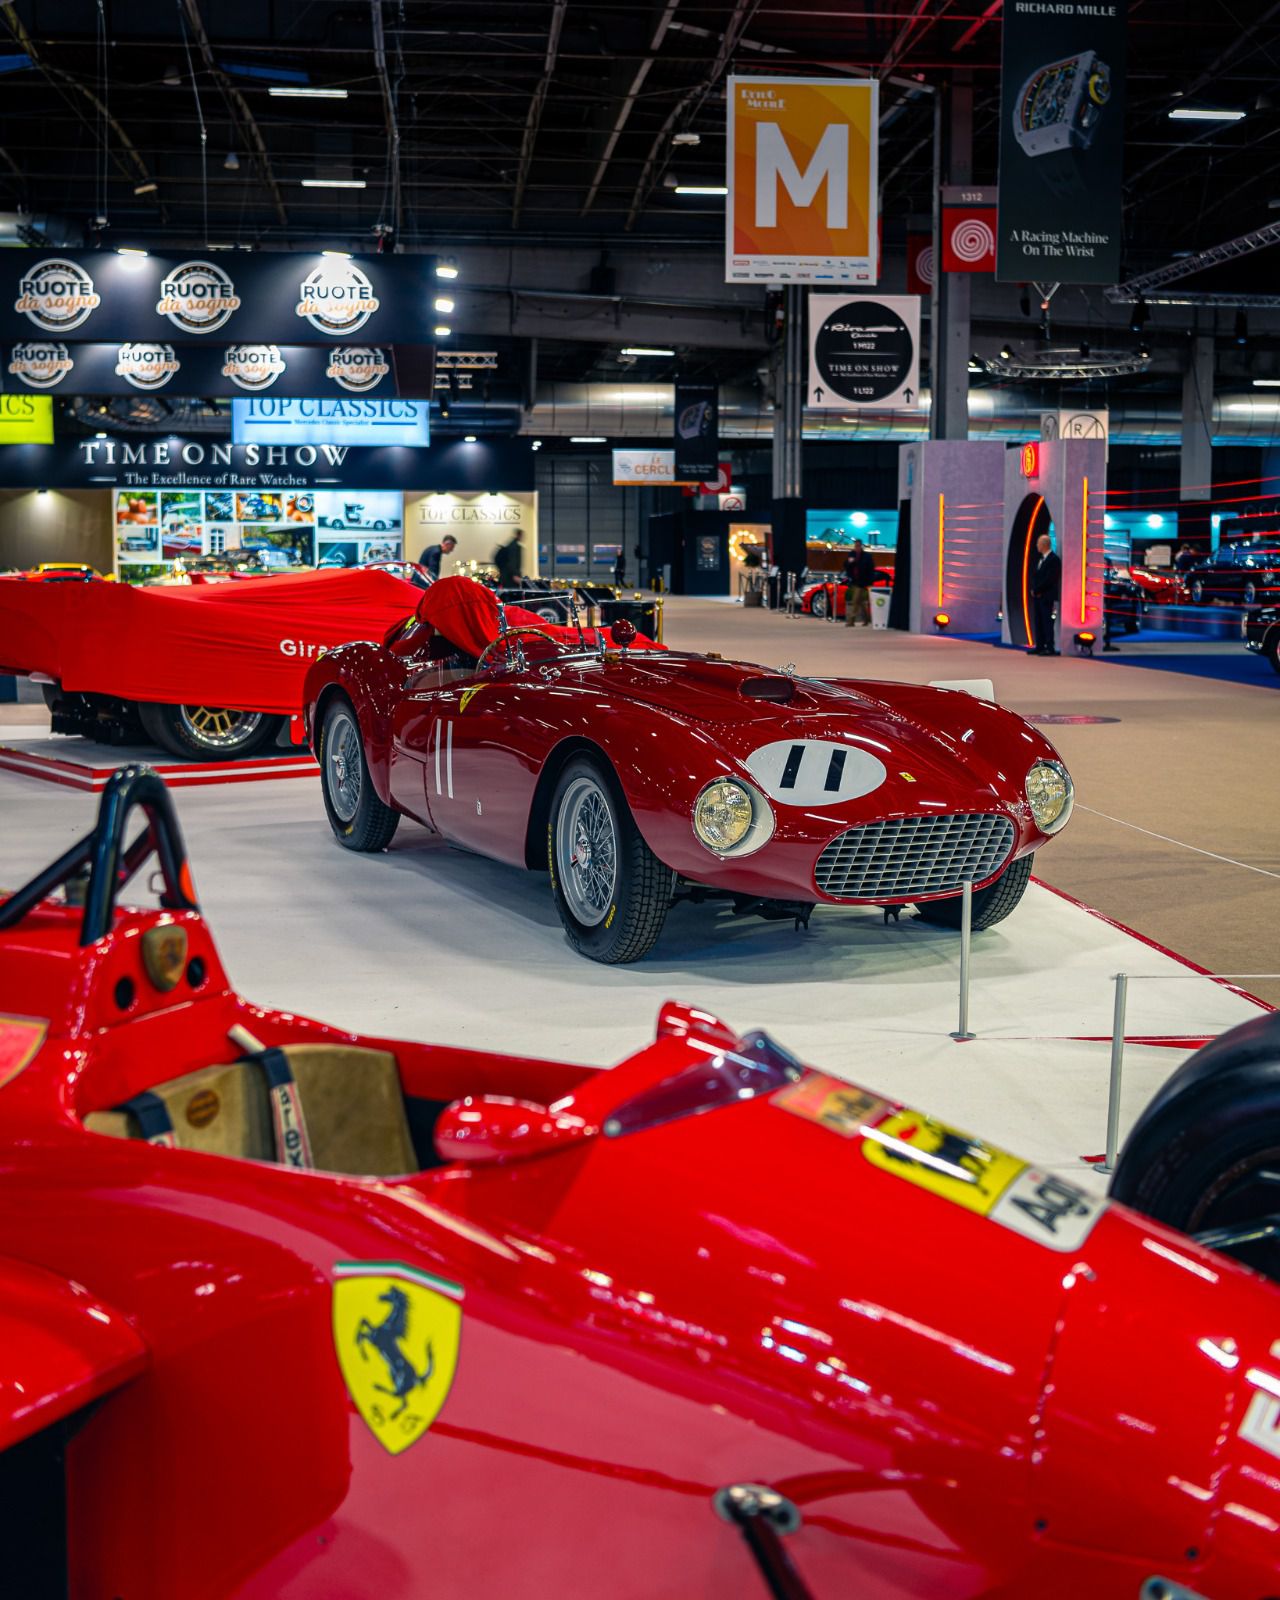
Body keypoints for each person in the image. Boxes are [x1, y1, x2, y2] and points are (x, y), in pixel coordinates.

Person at [1029, 532, 1061, 655]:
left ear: (1044, 545)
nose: (1037, 546)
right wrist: (1034, 589)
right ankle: (1040, 645)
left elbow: (1050, 579)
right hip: (1038, 596)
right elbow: (1037, 577)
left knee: (1047, 622)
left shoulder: (1054, 560)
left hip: (1046, 596)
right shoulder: (1041, 559)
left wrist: (1038, 590)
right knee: (1038, 621)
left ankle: (1049, 647)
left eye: (1038, 543)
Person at [843, 540, 875, 627]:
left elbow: (871, 569)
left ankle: (851, 621)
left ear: (861, 546)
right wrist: (850, 562)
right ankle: (866, 619)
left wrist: (870, 581)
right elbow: (846, 565)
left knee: (855, 600)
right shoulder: (852, 554)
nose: (856, 548)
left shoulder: (867, 556)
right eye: (855, 546)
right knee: (860, 601)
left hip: (863, 581)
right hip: (854, 580)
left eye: (858, 546)